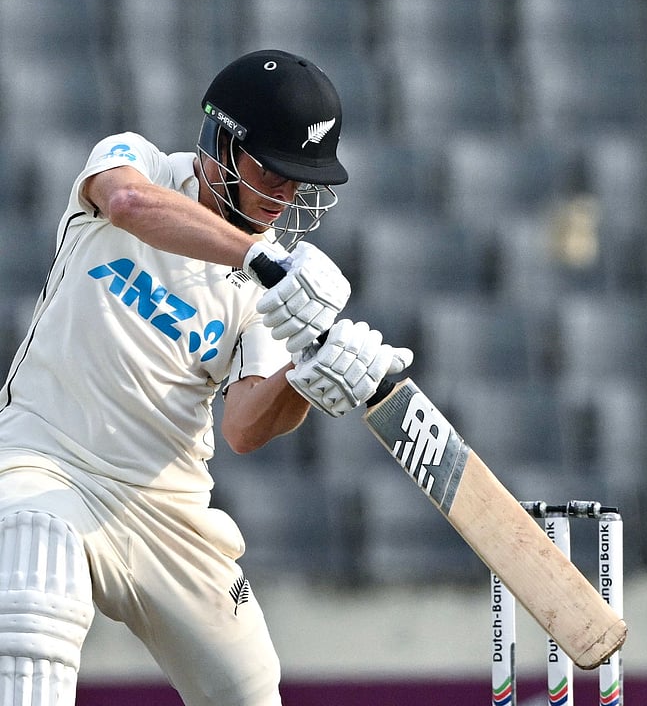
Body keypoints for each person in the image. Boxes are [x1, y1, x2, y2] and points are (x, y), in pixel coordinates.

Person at [0, 49, 410, 706]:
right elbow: (129, 203)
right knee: (34, 581)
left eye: (298, 181)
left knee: (247, 693)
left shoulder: (270, 288)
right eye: (271, 172)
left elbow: (246, 426)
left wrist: (307, 379)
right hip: (45, 458)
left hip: (167, 510)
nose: (284, 197)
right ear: (222, 142)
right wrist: (259, 259)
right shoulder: (137, 160)